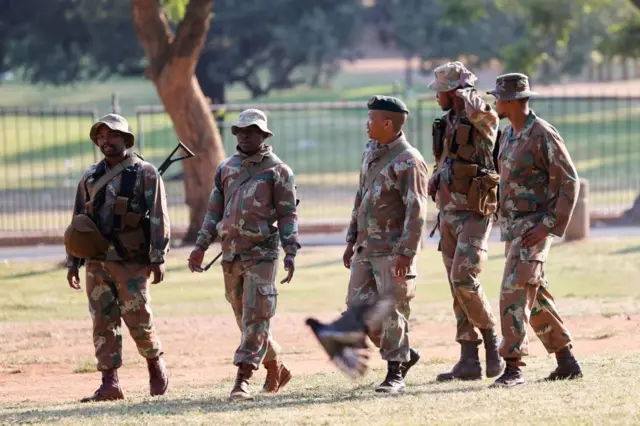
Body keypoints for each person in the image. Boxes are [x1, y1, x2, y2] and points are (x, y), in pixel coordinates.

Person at [187, 109, 300, 401]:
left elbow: (288, 214)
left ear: (264, 135)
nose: (245, 135)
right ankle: (276, 367)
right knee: (244, 317)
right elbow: (213, 212)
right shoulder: (226, 168)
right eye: (240, 131)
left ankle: (242, 378)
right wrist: (200, 246)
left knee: (256, 317)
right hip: (231, 255)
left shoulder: (279, 171)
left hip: (262, 254)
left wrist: (290, 250)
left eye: (252, 131)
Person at [64, 114, 170, 402]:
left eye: (111, 135)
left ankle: (155, 365)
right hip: (96, 261)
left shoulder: (145, 173)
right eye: (100, 136)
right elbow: (78, 221)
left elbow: (159, 216)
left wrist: (158, 257)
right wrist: (73, 261)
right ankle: (110, 383)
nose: (105, 141)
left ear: (125, 139)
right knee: (102, 321)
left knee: (138, 318)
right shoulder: (89, 176)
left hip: (131, 261)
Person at [487, 73, 583, 387]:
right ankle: (566, 360)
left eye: (498, 97)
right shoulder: (508, 134)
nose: (495, 102)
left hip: (534, 229)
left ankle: (514, 366)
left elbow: (569, 181)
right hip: (515, 230)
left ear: (513, 101)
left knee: (513, 292)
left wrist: (548, 226)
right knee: (535, 294)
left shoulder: (542, 133)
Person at [343, 95, 429, 393]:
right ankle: (406, 354)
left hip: (393, 252)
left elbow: (417, 211)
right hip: (366, 249)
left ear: (388, 123)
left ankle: (396, 373)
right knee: (357, 309)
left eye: (372, 119)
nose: (367, 124)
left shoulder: (409, 161)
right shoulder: (371, 152)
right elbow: (360, 196)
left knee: (392, 311)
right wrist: (351, 238)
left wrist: (406, 253)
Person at [426, 61, 505, 382]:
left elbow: (488, 119)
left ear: (455, 91)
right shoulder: (448, 121)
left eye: (441, 91)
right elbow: (445, 159)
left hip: (474, 209)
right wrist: (435, 176)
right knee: (454, 285)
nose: (436, 97)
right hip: (448, 211)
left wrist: (466, 92)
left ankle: (492, 345)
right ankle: (468, 357)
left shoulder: (481, 116)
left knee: (464, 277)